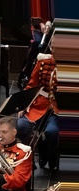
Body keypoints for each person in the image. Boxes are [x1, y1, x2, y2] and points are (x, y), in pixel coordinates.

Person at [18, 45, 59, 176]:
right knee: (21, 126)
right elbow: (32, 85)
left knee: (52, 132)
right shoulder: (43, 62)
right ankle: (29, 160)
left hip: (58, 109)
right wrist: (24, 105)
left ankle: (51, 157)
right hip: (39, 104)